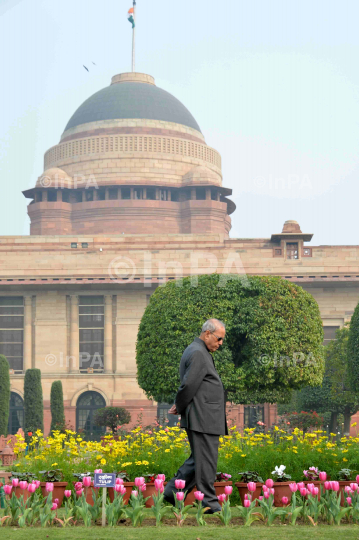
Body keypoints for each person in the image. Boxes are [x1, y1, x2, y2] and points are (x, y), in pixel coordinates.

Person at [163, 318, 227, 513]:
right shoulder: (199, 352)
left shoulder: (199, 351)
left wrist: (181, 406)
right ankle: (209, 503)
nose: (220, 343)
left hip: (204, 416)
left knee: (199, 459)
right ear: (207, 333)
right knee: (206, 460)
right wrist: (180, 406)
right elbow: (188, 385)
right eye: (219, 339)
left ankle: (173, 491)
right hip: (203, 417)